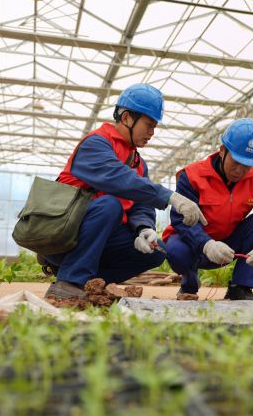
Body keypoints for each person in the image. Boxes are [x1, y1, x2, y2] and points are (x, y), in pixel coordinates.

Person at [42, 84, 207, 299]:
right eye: (148, 124)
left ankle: (91, 284)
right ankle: (69, 281)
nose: (152, 132)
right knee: (110, 204)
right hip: (62, 237)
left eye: (155, 126)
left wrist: (143, 229)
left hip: (100, 241)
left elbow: (141, 204)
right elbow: (120, 179)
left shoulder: (138, 162)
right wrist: (170, 196)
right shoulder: (96, 144)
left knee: (156, 251)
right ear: (127, 117)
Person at [162, 118, 253, 302]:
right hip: (195, 244)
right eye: (236, 161)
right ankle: (189, 282)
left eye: (247, 165)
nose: (240, 170)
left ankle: (240, 288)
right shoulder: (192, 176)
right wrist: (207, 244)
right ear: (222, 151)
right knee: (176, 251)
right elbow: (181, 221)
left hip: (228, 245)